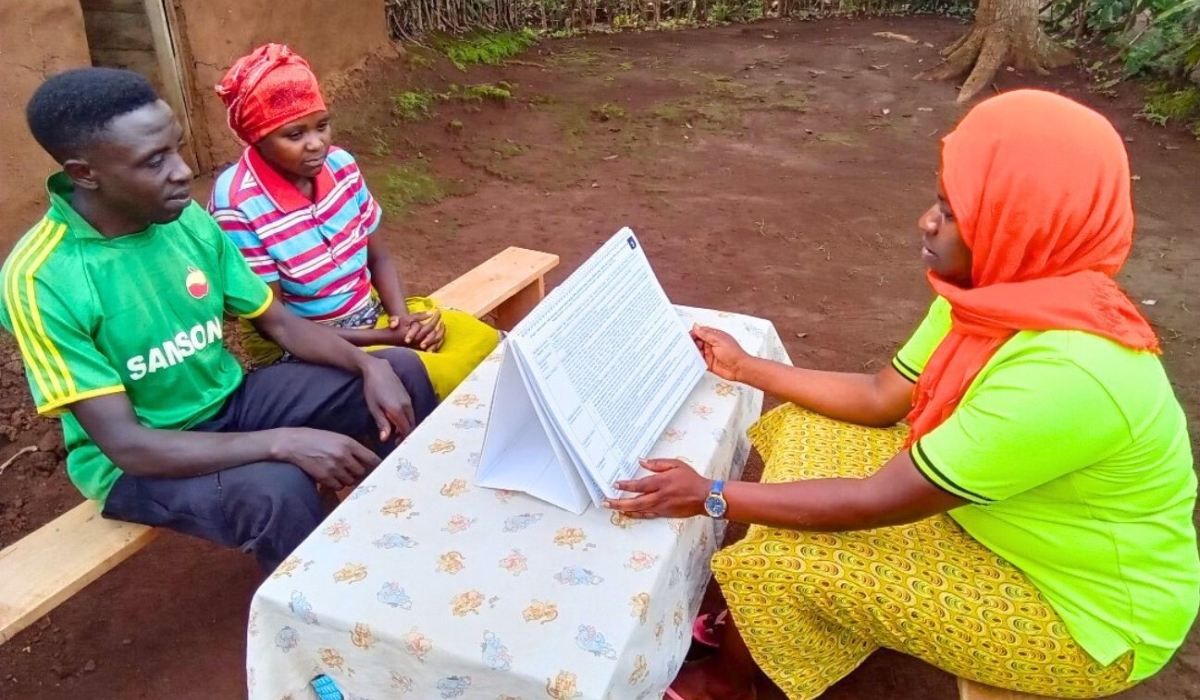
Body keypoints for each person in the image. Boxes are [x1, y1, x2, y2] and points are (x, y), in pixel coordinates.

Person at [606, 90, 1199, 700]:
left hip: (1082, 620)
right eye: (939, 199)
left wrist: (707, 496)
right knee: (809, 431)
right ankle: (774, 630)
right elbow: (880, 396)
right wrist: (745, 365)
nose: (927, 220)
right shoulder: (995, 295)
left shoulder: (1069, 373)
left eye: (954, 209)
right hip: (1001, 524)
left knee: (781, 562)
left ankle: (729, 686)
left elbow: (870, 502)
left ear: (1025, 221)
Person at [1, 68, 438, 572]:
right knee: (279, 488)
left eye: (176, 148)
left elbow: (280, 323)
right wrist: (281, 441)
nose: (183, 172)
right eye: (155, 161)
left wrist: (369, 367)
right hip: (143, 456)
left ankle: (414, 530)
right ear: (85, 173)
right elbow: (129, 447)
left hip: (229, 402)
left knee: (400, 371)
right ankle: (325, 622)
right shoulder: (40, 279)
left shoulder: (184, 219)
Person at [207, 44, 498, 401]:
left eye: (322, 126)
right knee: (431, 375)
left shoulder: (341, 166)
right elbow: (277, 328)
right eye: (295, 135)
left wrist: (402, 321)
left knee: (483, 340)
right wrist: (386, 339)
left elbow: (379, 258)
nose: (316, 144)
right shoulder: (238, 203)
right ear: (257, 138)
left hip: (371, 314)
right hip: (304, 347)